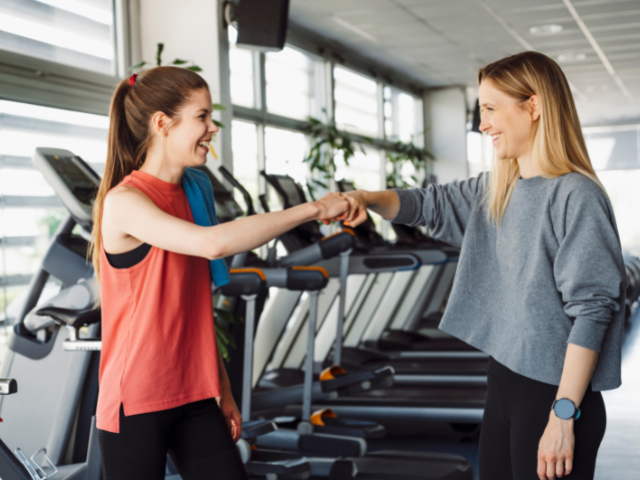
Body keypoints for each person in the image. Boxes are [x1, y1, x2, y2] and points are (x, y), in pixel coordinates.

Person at [339, 52, 626, 480]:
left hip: (556, 395)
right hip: (505, 383)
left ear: (534, 106)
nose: (483, 123)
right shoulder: (497, 188)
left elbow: (593, 308)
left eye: (491, 109)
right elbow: (426, 204)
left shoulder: (575, 195)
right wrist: (365, 198)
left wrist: (564, 415)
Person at [90, 66, 349, 480]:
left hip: (193, 393)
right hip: (135, 399)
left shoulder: (196, 189)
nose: (213, 128)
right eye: (202, 117)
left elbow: (194, 310)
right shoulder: (126, 202)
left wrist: (222, 389)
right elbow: (214, 243)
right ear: (162, 123)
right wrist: (316, 209)